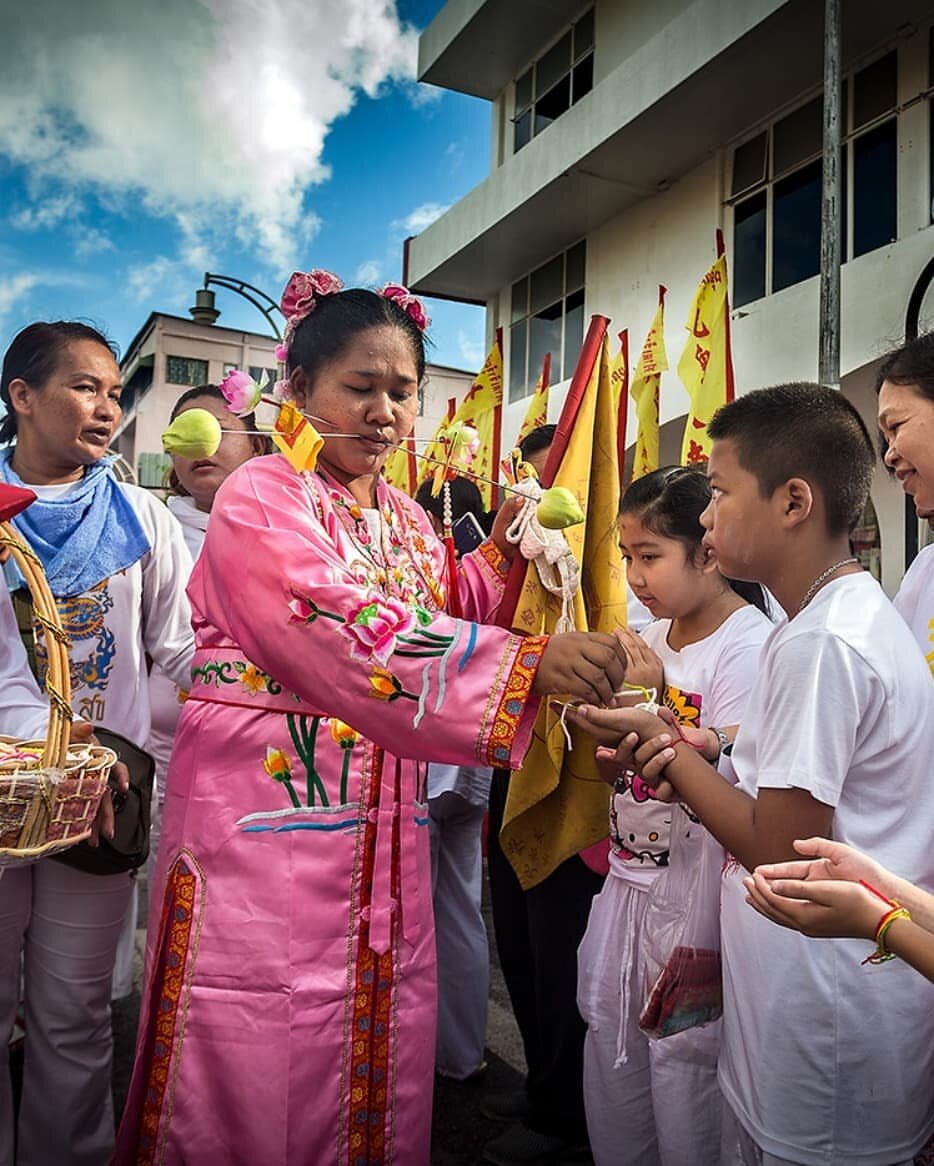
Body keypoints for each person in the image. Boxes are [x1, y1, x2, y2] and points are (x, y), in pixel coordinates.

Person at [112, 271, 627, 1166]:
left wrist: (507, 557)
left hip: (380, 823)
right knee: (257, 1024)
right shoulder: (262, 496)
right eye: (362, 387)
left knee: (368, 1014)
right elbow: (342, 621)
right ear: (300, 389)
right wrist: (524, 666)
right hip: (265, 824)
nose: (386, 411)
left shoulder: (405, 518)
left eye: (403, 392)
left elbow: (444, 605)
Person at [568, 383, 934, 1165]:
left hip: (823, 1027)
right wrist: (708, 753)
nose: (706, 516)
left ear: (793, 501)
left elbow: (783, 848)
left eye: (721, 492)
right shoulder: (825, 617)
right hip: (804, 1005)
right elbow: (780, 778)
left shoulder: (820, 642)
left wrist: (660, 747)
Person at [0, 321, 195, 1166]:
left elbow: (184, 649)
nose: (107, 407)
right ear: (21, 397)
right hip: (3, 797)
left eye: (115, 392)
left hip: (98, 804)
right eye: (85, 386)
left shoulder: (144, 516)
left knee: (75, 1012)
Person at [577, 467, 771, 1166]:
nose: (634, 575)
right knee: (612, 1047)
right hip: (629, 880)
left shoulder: (748, 644)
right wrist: (606, 739)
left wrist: (658, 703)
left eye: (650, 555)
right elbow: (620, 768)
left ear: (708, 553)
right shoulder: (653, 636)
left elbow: (732, 773)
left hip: (694, 895)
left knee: (686, 1066)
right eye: (626, 555)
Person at [482, 423, 606, 1166]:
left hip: (576, 772)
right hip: (515, 750)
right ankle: (540, 1083)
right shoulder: (520, 562)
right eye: (528, 494)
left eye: (552, 498)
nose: (539, 518)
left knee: (564, 953)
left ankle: (566, 1110)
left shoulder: (610, 569)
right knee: (522, 945)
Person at [147, 384, 269, 858]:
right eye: (186, 433)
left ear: (257, 443)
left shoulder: (291, 530)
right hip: (166, 749)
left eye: (220, 428)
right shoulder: (151, 533)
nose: (203, 445)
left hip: (265, 749)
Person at [412, 474, 494, 1083]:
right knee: (460, 905)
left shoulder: (421, 566)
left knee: (417, 913)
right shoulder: (492, 565)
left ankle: (420, 1051)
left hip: (429, 760)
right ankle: (462, 1054)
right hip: (470, 761)